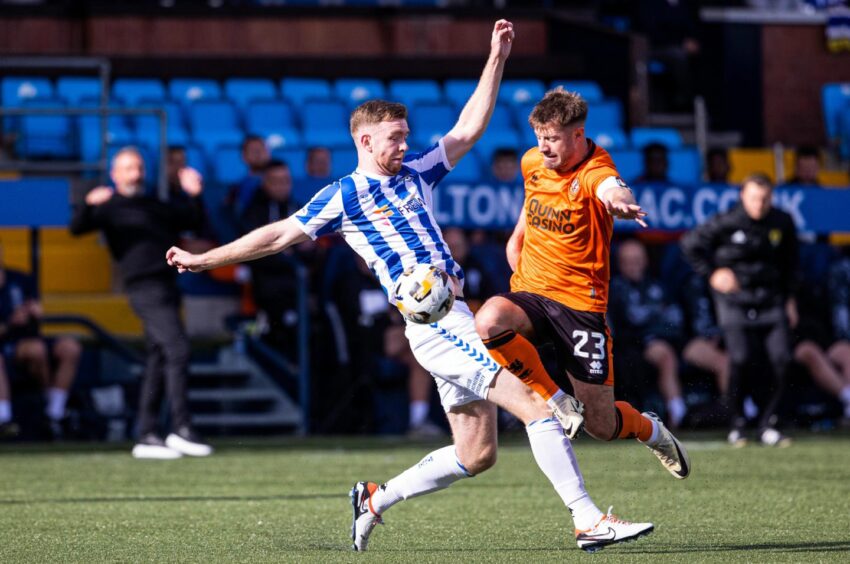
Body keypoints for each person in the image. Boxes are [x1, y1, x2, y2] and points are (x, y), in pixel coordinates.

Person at [166, 20, 654, 553]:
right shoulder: (343, 196)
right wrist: (204, 259)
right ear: (364, 139)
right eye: (395, 137)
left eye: (405, 134)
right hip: (432, 324)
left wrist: (497, 58)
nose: (404, 144)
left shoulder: (416, 172)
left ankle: (374, 500)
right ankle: (586, 520)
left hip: (455, 314)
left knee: (476, 454)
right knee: (539, 408)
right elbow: (279, 234)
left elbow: (468, 128)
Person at [472, 88, 690, 486]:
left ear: (578, 135)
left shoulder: (594, 170)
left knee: (601, 426)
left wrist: (620, 202)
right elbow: (532, 203)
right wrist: (517, 239)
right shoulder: (532, 161)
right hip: (534, 291)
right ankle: (557, 402)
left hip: (580, 307)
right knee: (488, 321)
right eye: (539, 137)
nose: (544, 147)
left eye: (552, 138)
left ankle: (651, 431)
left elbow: (611, 187)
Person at [69, 147, 213, 459]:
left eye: (139, 167)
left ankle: (147, 433)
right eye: (129, 168)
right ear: (115, 174)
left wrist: (194, 195)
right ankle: (182, 427)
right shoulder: (109, 206)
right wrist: (86, 203)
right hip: (143, 288)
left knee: (159, 357)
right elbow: (77, 228)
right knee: (178, 348)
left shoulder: (155, 203)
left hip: (167, 284)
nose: (136, 173)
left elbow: (193, 221)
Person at [681, 173, 799, 447]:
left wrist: (790, 299)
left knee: (782, 358)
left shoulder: (782, 222)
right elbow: (689, 245)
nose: (760, 204)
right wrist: (712, 273)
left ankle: (768, 422)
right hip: (734, 301)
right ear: (743, 197)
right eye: (755, 198)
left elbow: (792, 264)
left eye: (765, 198)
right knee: (740, 358)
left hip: (770, 299)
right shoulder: (726, 222)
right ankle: (737, 422)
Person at [0, 242, 81, 438]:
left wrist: (34, 312)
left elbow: (34, 310)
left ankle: (55, 413)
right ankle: (4, 419)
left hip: (31, 338)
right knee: (35, 350)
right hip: (7, 343)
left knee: (70, 347)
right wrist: (10, 322)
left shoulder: (20, 279)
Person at [609, 239, 688, 428]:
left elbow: (675, 317)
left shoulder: (657, 286)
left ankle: (737, 409)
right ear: (620, 263)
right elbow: (621, 327)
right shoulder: (614, 289)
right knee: (665, 355)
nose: (633, 265)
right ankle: (678, 412)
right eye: (628, 261)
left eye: (637, 260)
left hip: (669, 339)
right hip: (635, 345)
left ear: (645, 261)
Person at [228, 135, 271, 215]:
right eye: (254, 150)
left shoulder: (285, 182)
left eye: (262, 149)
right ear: (243, 156)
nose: (259, 154)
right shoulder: (238, 189)